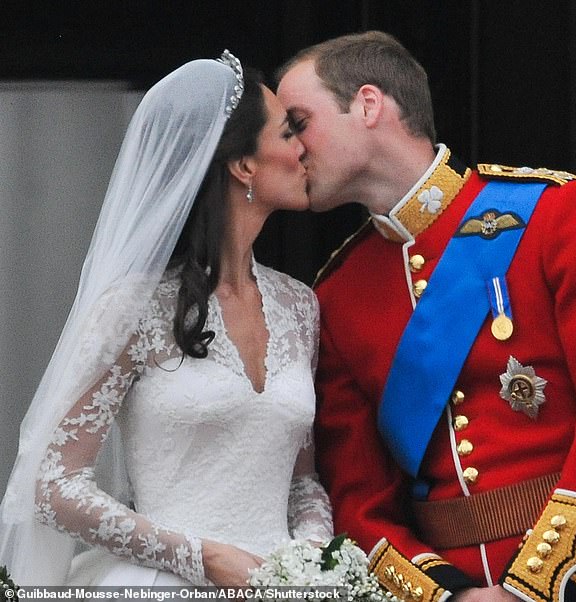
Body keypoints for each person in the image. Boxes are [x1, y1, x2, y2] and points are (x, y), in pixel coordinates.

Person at [276, 31, 576, 601]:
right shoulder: (338, 293)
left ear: (368, 105)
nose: (289, 147)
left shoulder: (554, 216)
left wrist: (532, 587)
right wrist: (449, 594)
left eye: (298, 122)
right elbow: (358, 500)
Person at [0, 52, 333, 587]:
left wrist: (312, 561)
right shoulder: (134, 308)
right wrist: (204, 559)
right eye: (288, 133)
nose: (304, 149)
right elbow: (53, 483)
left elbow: (301, 481)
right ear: (244, 164)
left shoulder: (300, 307)